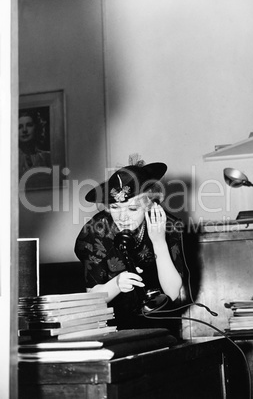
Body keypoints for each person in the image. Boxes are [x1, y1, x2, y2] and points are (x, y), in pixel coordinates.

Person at [74, 161, 184, 332]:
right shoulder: (95, 232)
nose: (123, 217)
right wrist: (117, 284)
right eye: (115, 207)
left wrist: (159, 241)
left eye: (132, 208)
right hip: (112, 325)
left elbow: (172, 292)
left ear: (150, 205)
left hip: (160, 321)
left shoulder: (169, 226)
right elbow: (92, 298)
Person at [18, 110, 51, 177]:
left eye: (29, 125)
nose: (24, 130)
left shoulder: (48, 157)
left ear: (37, 127)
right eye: (20, 127)